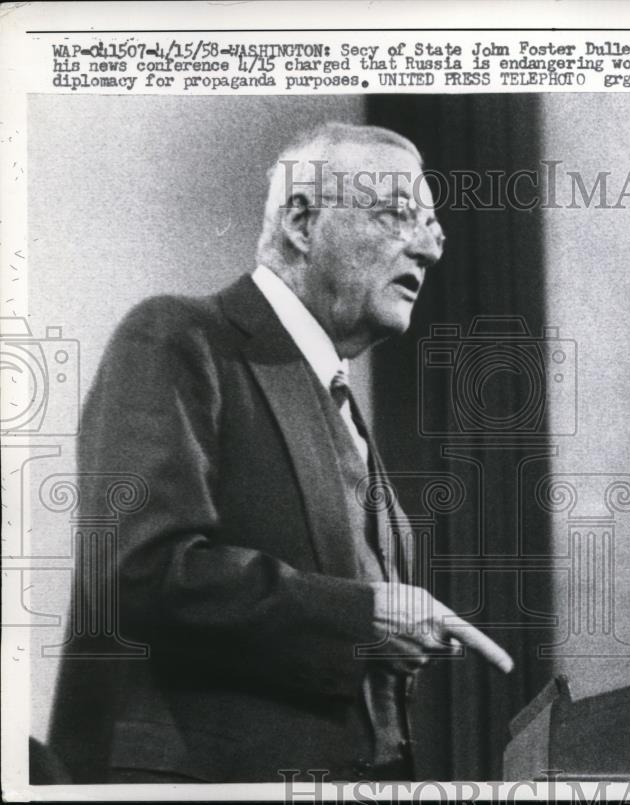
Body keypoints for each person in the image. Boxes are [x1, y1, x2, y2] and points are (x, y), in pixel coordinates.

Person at [44, 121, 512, 784]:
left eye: (433, 225)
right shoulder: (178, 336)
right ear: (300, 220)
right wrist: (363, 612)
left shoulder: (337, 400)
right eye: (399, 214)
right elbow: (136, 573)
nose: (431, 248)